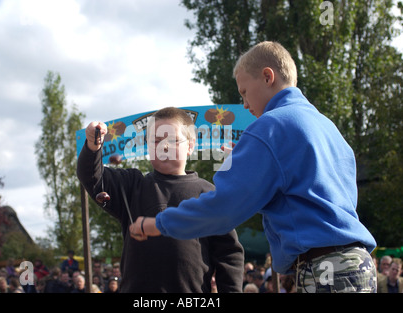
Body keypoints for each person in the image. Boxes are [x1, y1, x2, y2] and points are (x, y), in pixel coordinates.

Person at [130, 41, 377, 293]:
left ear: (268, 77)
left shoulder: (269, 127)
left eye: (244, 92)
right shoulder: (326, 125)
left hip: (325, 269)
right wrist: (254, 162)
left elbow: (224, 209)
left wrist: (158, 224)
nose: (245, 104)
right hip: (357, 265)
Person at [77, 107, 244, 292]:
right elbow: (93, 178)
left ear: (190, 146)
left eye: (172, 140)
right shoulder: (133, 186)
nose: (163, 146)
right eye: (155, 141)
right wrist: (93, 146)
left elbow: (229, 254)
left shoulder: (208, 193)